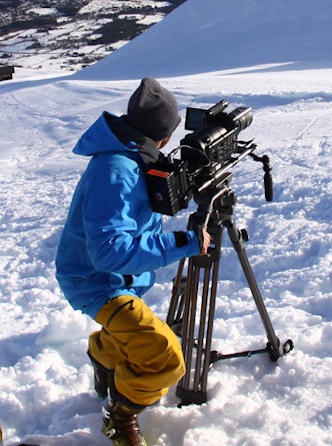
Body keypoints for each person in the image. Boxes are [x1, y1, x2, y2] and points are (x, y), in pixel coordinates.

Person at [56, 77, 210, 446]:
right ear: (165, 135)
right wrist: (184, 242)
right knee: (165, 357)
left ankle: (104, 353)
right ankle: (120, 412)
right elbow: (109, 252)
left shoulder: (133, 155)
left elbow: (138, 212)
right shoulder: (116, 171)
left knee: (140, 337)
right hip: (97, 281)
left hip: (117, 278)